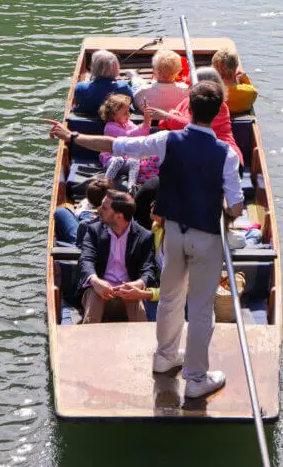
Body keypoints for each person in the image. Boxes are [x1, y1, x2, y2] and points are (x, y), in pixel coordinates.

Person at [46, 81, 244, 398]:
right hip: (205, 238)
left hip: (173, 236)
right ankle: (195, 379)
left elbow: (117, 145)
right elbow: (235, 205)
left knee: (169, 298)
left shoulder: (168, 139)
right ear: (218, 111)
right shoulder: (227, 155)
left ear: (189, 109)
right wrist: (221, 204)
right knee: (201, 307)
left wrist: (73, 136)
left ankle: (165, 357)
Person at [77, 190, 159, 324]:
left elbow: (149, 269)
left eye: (104, 207)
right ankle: (88, 340)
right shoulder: (93, 231)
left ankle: (143, 342)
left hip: (128, 293)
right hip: (98, 289)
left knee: (136, 304)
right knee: (94, 298)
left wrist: (138, 284)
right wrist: (95, 281)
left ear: (118, 216)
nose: (98, 209)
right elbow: (86, 259)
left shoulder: (145, 236)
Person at [147, 67, 245, 167]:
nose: (188, 87)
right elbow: (170, 124)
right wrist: (170, 117)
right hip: (200, 154)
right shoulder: (188, 100)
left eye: (192, 84)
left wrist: (169, 117)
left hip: (226, 159)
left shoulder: (219, 106)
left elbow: (196, 127)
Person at [98, 93, 156, 194]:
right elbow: (129, 136)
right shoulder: (110, 127)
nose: (129, 114)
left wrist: (146, 122)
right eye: (125, 113)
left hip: (126, 160)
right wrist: (145, 122)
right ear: (114, 115)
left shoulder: (128, 123)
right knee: (118, 160)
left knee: (134, 161)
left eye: (129, 111)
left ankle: (131, 188)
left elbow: (141, 133)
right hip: (111, 159)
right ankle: (105, 183)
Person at [52, 175, 111, 246]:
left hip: (86, 243)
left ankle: (81, 212)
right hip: (97, 238)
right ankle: (81, 213)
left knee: (61, 211)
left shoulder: (86, 224)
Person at [73, 49, 134, 115]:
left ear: (93, 67)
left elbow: (77, 102)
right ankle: (134, 77)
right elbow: (131, 101)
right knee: (136, 85)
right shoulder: (123, 87)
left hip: (87, 121)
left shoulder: (80, 87)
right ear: (115, 67)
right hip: (115, 121)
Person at [212, 47, 257, 114]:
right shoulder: (251, 92)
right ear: (236, 67)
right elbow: (251, 89)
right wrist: (244, 79)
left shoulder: (212, 94)